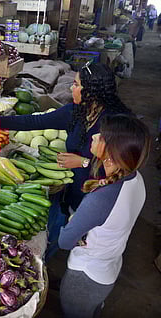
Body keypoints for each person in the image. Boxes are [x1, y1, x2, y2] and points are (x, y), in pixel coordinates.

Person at [0, 63, 131, 259]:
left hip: (97, 193)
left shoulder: (115, 123)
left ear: (91, 90)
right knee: (68, 225)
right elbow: (37, 121)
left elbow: (121, 166)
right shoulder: (76, 112)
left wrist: (83, 162)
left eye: (76, 85)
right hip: (73, 187)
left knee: (87, 241)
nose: (71, 88)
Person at [58, 114, 151, 318]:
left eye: (101, 136)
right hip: (108, 269)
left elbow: (64, 241)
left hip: (85, 277)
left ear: (112, 152)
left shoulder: (100, 200)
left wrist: (73, 223)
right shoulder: (136, 179)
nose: (94, 136)